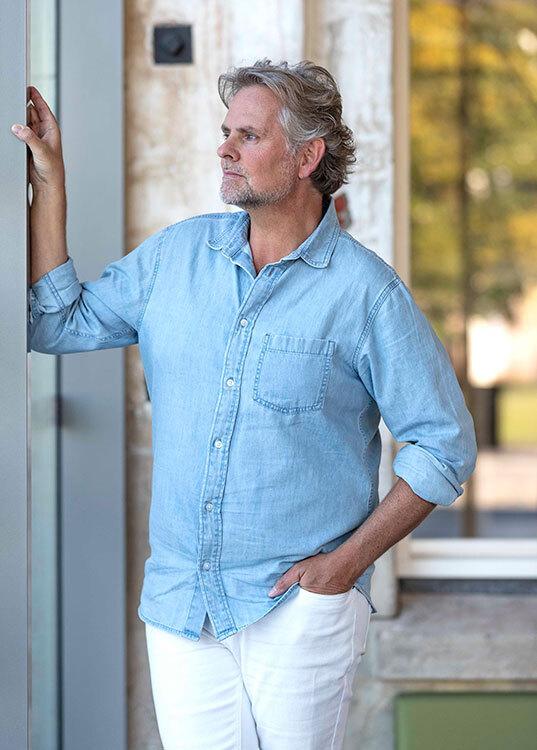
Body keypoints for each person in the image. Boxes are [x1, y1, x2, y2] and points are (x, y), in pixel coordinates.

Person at [13, 59, 477, 750]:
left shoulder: (366, 294)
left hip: (298, 609)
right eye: (226, 132)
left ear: (306, 157)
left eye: (248, 136)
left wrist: (345, 566)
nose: (224, 148)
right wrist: (50, 182)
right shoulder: (175, 258)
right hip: (182, 605)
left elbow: (443, 446)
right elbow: (56, 323)